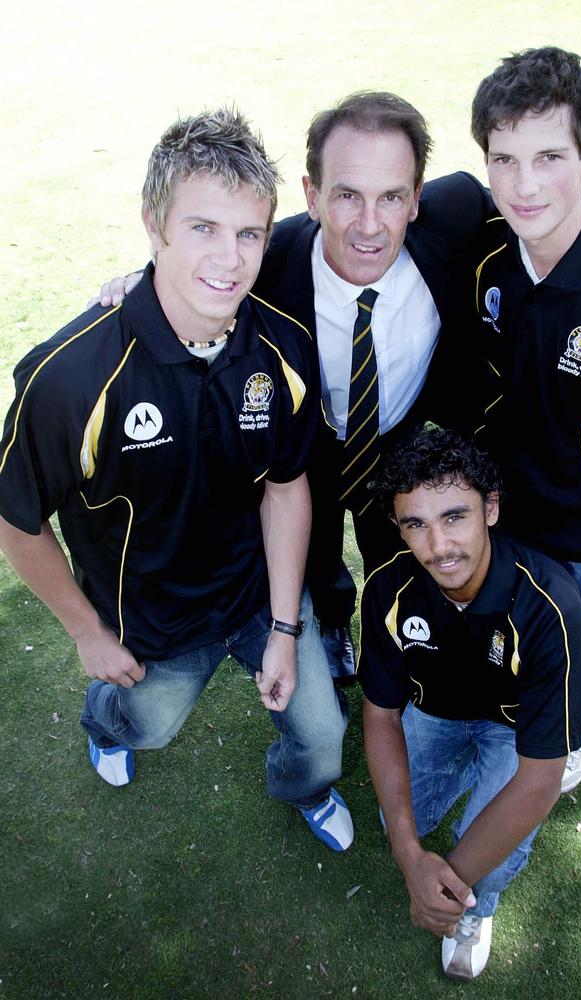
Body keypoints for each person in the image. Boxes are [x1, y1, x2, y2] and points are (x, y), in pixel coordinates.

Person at [91, 92, 581, 686]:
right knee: (313, 550)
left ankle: (407, 642)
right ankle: (331, 624)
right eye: (347, 195)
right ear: (311, 194)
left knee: (406, 550)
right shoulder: (267, 260)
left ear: (416, 197)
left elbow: (537, 190)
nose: (369, 224)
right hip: (307, 445)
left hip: (403, 439)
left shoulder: (455, 216)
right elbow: (201, 262)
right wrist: (145, 278)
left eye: (391, 197)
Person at [0, 109, 353, 853]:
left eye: (249, 233)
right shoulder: (68, 378)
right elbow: (16, 521)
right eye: (202, 228)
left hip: (255, 594)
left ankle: (304, 786)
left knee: (323, 739)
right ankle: (107, 717)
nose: (229, 258)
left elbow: (286, 489)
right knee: (148, 726)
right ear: (153, 224)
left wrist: (286, 629)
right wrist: (86, 634)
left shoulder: (282, 349)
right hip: (152, 621)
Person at [470, 46, 581, 791]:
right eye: (504, 159)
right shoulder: (485, 249)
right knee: (512, 613)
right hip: (503, 500)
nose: (525, 184)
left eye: (550, 156)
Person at [358, 426, 581, 981]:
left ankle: (474, 910)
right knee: (404, 822)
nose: (438, 547)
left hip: (513, 731)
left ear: (491, 509)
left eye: (454, 516)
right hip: (434, 714)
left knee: (490, 856)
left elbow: (540, 779)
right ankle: (456, 801)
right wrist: (412, 857)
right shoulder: (388, 589)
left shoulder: (550, 602)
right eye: (416, 524)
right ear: (397, 526)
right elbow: (381, 714)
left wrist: (444, 888)